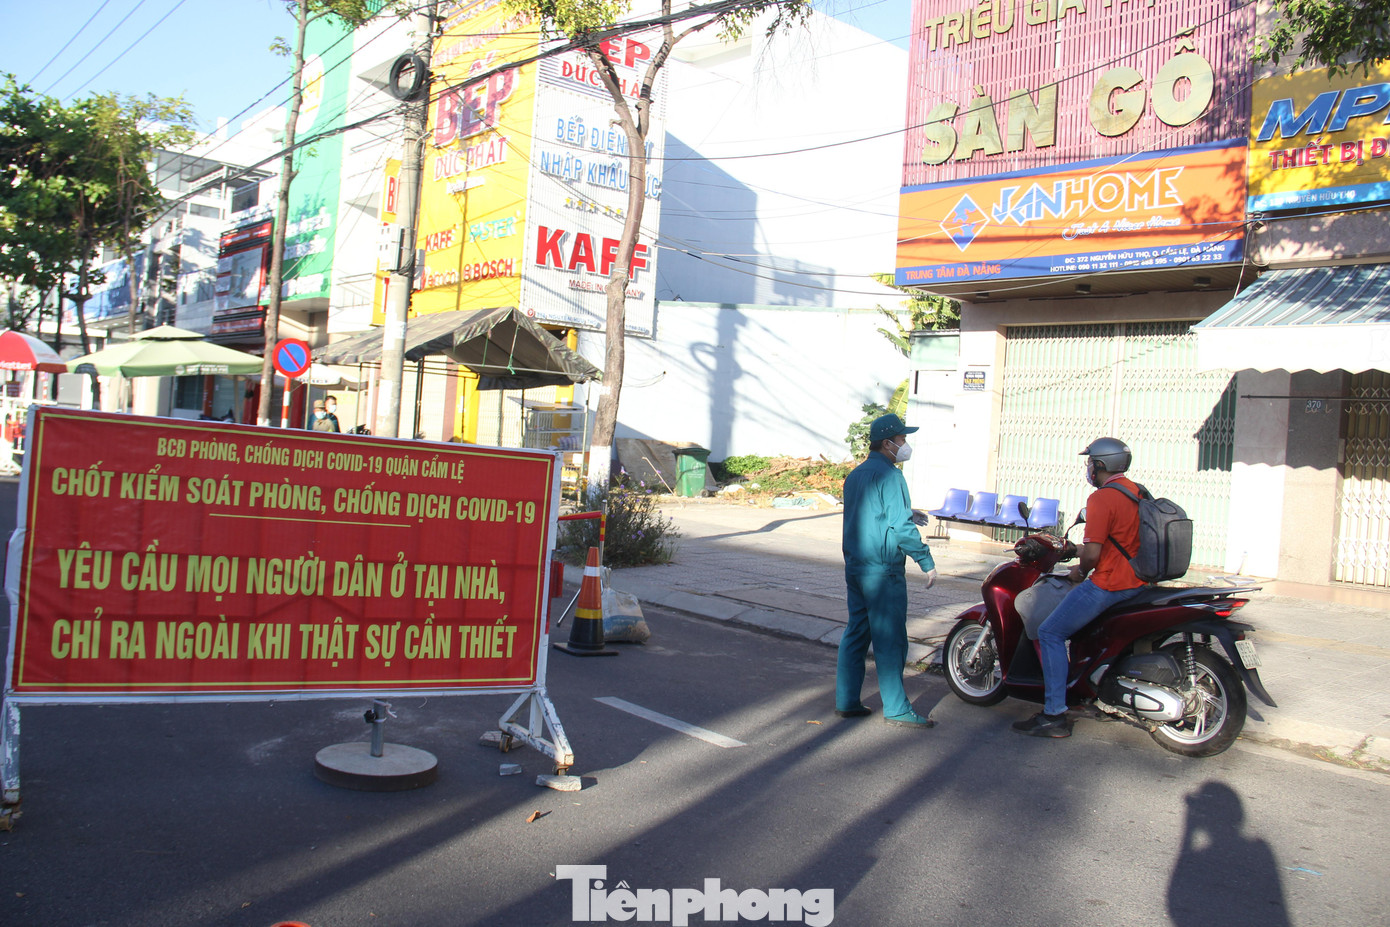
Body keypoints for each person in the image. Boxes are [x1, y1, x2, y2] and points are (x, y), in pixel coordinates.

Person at [1013, 436, 1147, 738]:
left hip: (1110, 583)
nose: (1088, 468)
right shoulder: (1136, 492)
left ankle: (1054, 714)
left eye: (1090, 462)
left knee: (1050, 632)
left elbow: (1093, 554)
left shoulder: (1101, 498)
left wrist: (1079, 571)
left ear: (1100, 465)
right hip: (1137, 581)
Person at [837, 413, 939, 728]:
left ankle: (847, 701)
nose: (904, 445)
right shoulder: (892, 477)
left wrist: (906, 512)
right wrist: (925, 560)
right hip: (883, 571)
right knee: (890, 640)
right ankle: (896, 707)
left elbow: (869, 514)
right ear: (887, 443)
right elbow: (900, 529)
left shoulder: (855, 475)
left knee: (856, 633)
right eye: (901, 439)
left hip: (856, 565)